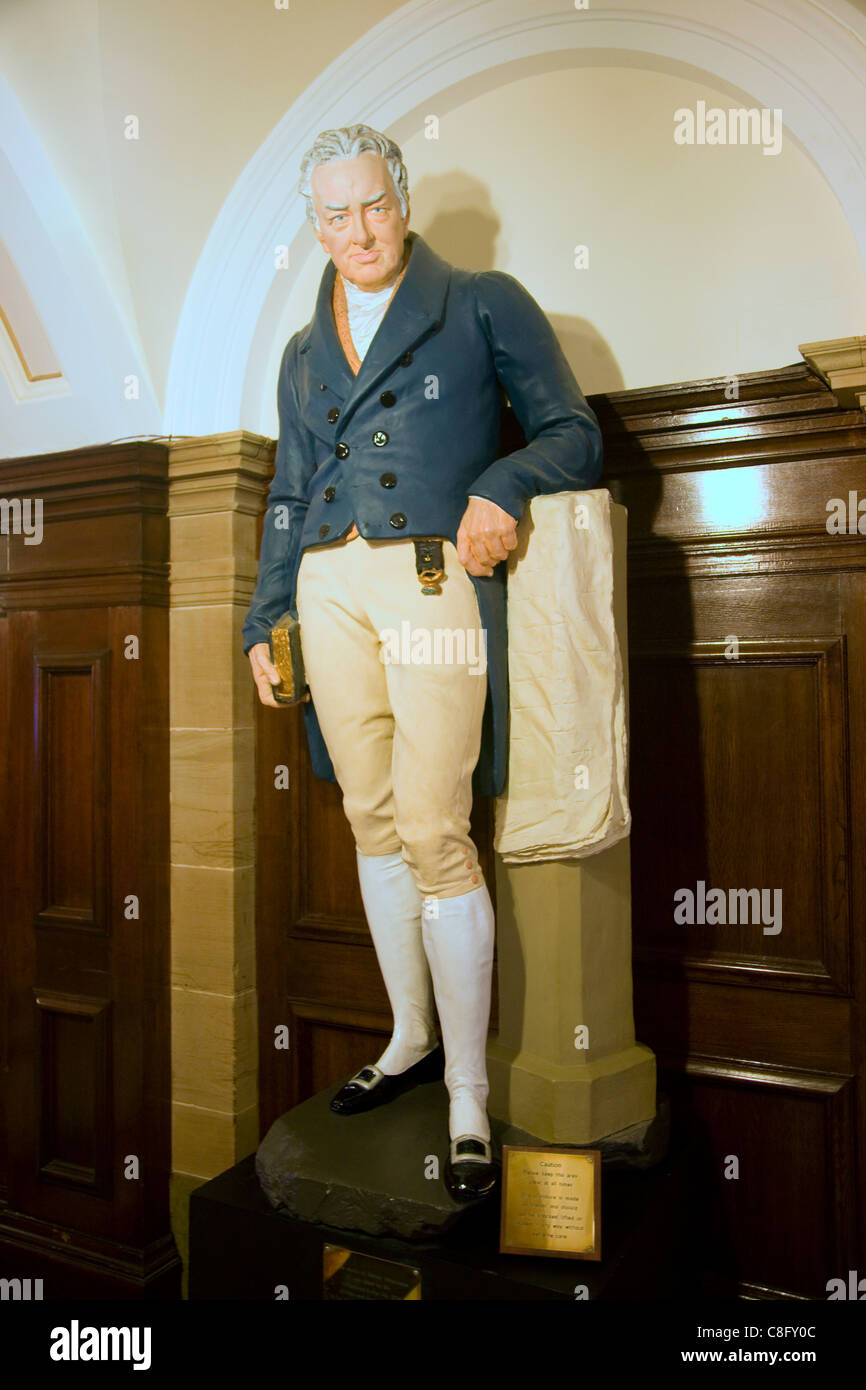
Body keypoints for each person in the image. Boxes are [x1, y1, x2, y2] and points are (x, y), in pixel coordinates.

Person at [243, 124, 602, 1202]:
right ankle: (405, 1039)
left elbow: (572, 432)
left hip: (434, 583)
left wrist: (501, 484)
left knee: (438, 830)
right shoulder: (303, 352)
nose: (354, 230)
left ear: (401, 200)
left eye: (371, 205)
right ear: (315, 222)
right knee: (369, 817)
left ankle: (465, 1096)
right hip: (327, 587)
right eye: (332, 214)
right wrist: (265, 616)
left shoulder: (483, 298)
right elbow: (287, 494)